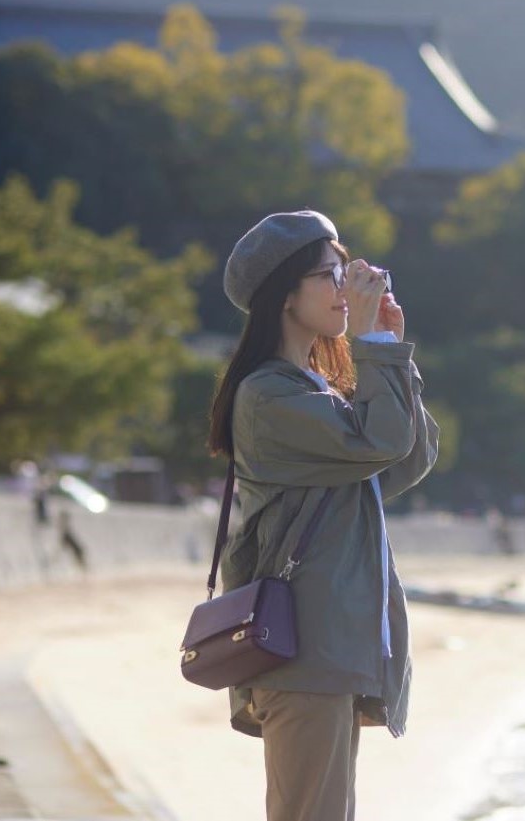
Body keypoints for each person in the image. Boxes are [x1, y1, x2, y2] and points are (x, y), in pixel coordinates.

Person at [207, 210, 439, 821]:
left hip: (326, 650)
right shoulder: (269, 395)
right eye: (332, 276)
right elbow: (382, 443)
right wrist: (371, 347)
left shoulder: (313, 387)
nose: (348, 289)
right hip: (301, 654)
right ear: (285, 295)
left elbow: (406, 459)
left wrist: (389, 347)